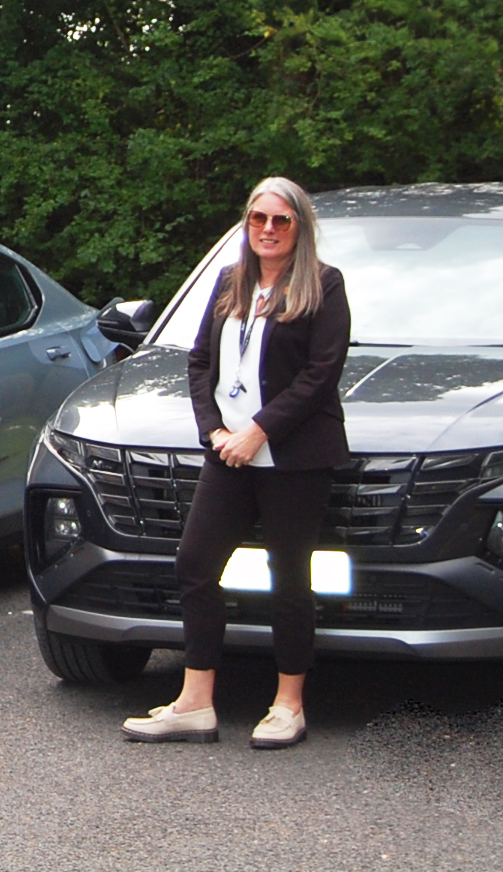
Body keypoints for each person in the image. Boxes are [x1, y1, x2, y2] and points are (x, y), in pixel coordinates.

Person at [123, 176, 350, 750]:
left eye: (280, 220)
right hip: (230, 453)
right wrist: (217, 432)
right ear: (246, 224)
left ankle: (287, 705)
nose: (267, 230)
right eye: (257, 219)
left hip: (294, 458)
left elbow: (321, 375)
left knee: (289, 579)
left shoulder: (324, 285)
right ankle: (195, 703)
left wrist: (259, 431)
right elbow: (200, 364)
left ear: (300, 226)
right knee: (195, 563)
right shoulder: (230, 282)